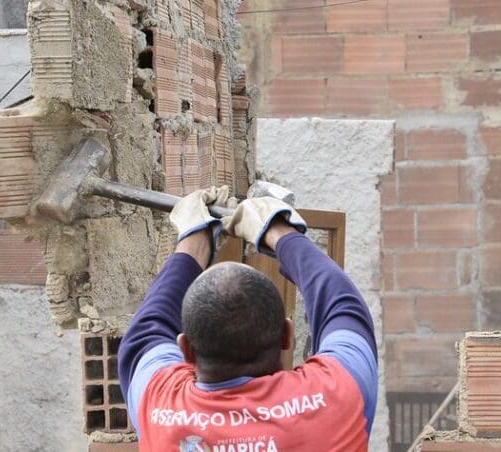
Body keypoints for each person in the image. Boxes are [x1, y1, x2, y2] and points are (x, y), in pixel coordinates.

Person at [118, 187, 378, 451]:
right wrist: (279, 234)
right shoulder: (337, 397)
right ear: (287, 334)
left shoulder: (158, 404)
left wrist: (192, 244)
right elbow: (342, 304)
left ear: (185, 348)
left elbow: (147, 331)